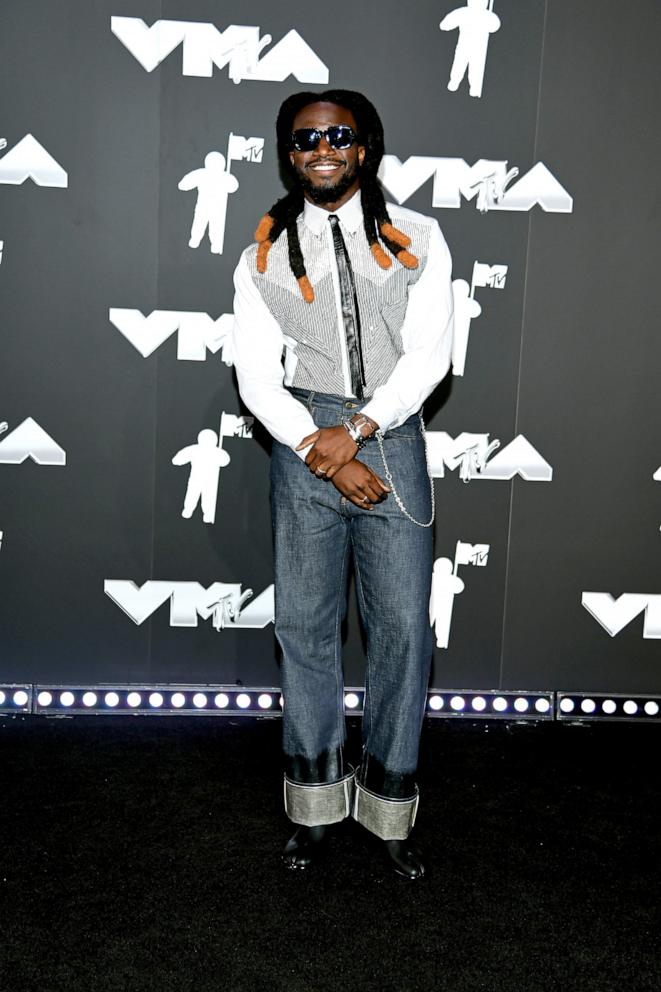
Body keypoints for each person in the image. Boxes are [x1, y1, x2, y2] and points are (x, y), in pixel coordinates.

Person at [231, 89, 454, 880]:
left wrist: (357, 432)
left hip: (390, 437)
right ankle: (316, 807)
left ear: (364, 146)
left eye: (337, 135)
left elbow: (431, 357)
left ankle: (389, 812)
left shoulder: (419, 237)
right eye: (302, 139)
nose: (319, 148)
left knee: (400, 633)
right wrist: (318, 444)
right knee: (304, 629)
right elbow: (255, 376)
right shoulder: (260, 255)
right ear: (287, 153)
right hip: (300, 436)